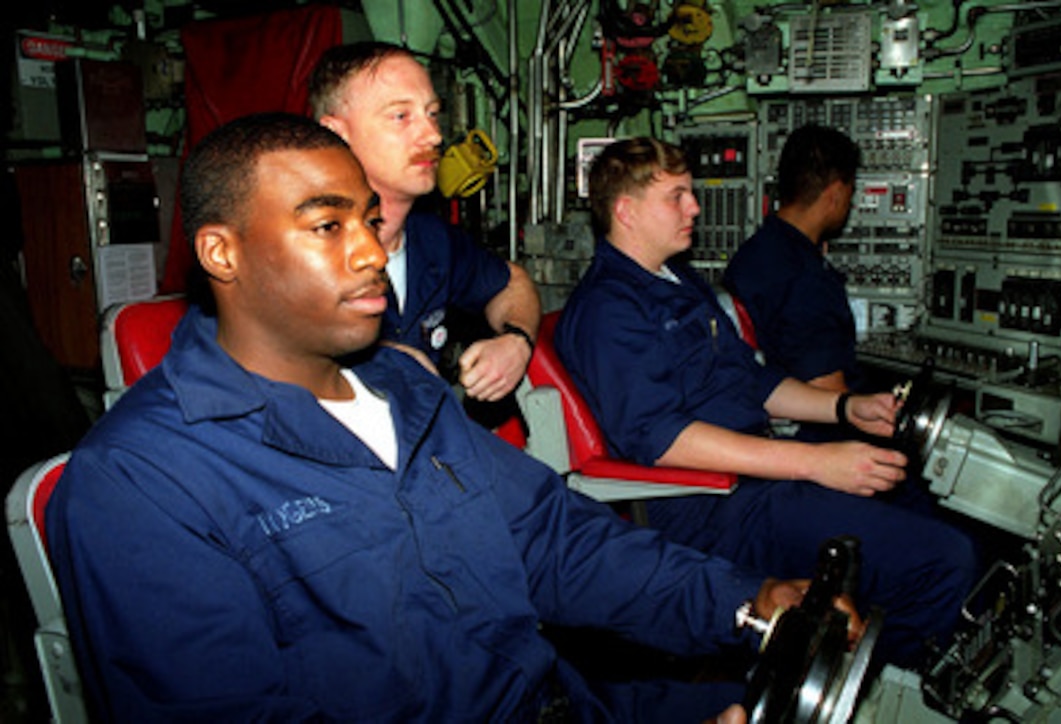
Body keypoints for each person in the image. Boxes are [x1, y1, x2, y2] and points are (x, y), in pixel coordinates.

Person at [46, 113, 818, 722]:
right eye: (328, 226)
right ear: (223, 254)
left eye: (369, 222)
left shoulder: (401, 390)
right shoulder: (139, 481)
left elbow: (556, 544)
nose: (371, 254)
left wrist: (742, 604)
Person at [555, 136, 979, 671]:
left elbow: (754, 383)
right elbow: (661, 439)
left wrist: (846, 409)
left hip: (760, 478)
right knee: (943, 562)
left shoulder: (679, 282)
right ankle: (863, 696)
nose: (695, 207)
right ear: (626, 211)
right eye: (677, 195)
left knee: (921, 503)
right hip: (712, 507)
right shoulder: (607, 312)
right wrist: (817, 462)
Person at [308, 41, 540, 404]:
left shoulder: (430, 239)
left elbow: (511, 282)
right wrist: (378, 360)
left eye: (432, 114)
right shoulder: (292, 251)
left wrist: (515, 341)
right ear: (337, 134)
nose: (433, 136)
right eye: (401, 116)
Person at [722, 124, 861, 394]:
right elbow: (827, 393)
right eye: (851, 191)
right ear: (835, 194)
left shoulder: (758, 250)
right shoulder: (805, 280)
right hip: (810, 428)